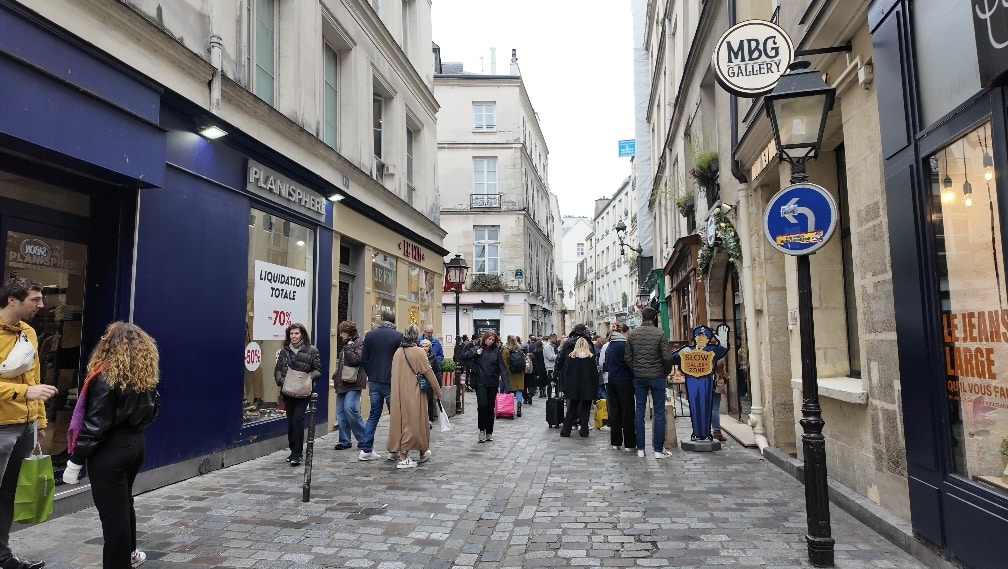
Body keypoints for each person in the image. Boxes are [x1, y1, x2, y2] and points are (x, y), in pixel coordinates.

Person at [63, 321, 160, 569]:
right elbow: (153, 409)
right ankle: (130, 554)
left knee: (113, 515)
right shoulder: (142, 376)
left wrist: (74, 462)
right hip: (136, 443)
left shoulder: (105, 377)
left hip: (111, 450)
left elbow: (95, 426)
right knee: (124, 504)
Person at [0, 277, 56, 569]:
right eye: (35, 299)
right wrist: (24, 392)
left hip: (25, 426)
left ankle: (3, 557)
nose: (41, 305)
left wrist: (40, 420)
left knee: (9, 494)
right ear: (12, 299)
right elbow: (28, 387)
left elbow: (34, 378)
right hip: (0, 426)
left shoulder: (30, 333)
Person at [624, 307, 675, 459]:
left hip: (639, 377)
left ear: (642, 317)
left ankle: (640, 449)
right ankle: (658, 450)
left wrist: (636, 369)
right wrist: (665, 372)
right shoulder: (660, 334)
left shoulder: (633, 335)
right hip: (657, 376)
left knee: (639, 411)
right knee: (659, 412)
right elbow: (667, 357)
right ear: (654, 318)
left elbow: (627, 357)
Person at [388, 325, 442, 468]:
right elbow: (429, 373)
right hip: (414, 392)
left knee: (403, 421)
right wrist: (438, 391)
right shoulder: (418, 352)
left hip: (398, 392)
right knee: (413, 422)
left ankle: (422, 451)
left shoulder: (398, 352)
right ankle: (403, 456)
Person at [273, 323, 322, 467]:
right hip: (288, 391)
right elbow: (277, 370)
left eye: (296, 333)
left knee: (297, 419)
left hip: (303, 391)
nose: (294, 336)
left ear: (302, 334)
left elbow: (318, 370)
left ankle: (298, 453)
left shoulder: (312, 350)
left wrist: (308, 379)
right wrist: (282, 381)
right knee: (290, 421)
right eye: (291, 334)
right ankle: (292, 449)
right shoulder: (285, 351)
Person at [359, 310, 403, 461]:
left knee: (373, 415)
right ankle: (394, 450)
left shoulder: (370, 335)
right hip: (391, 381)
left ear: (382, 319)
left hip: (374, 381)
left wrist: (371, 373)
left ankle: (366, 450)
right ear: (393, 320)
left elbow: (363, 359)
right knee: (396, 417)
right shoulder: (398, 336)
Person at [459, 331, 507, 442]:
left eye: (492, 339)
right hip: (480, 382)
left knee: (490, 407)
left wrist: (507, 385)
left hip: (492, 383)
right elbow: (462, 357)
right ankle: (482, 430)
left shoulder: (496, 352)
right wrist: (475, 353)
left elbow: (502, 368)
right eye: (489, 339)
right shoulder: (477, 349)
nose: (490, 341)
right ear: (484, 339)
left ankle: (489, 431)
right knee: (482, 406)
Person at [333, 321, 366, 451]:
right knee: (341, 413)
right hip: (342, 381)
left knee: (350, 409)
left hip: (354, 382)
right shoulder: (347, 344)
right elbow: (343, 362)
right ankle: (344, 440)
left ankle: (364, 438)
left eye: (342, 332)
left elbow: (356, 360)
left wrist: (349, 348)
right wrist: (336, 374)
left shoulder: (359, 343)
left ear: (347, 332)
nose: (340, 335)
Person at [558, 337, 597, 438]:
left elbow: (568, 374)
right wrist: (594, 390)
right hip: (587, 387)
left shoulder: (572, 357)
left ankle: (566, 430)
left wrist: (565, 387)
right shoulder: (591, 357)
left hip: (574, 387)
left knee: (572, 409)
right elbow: (594, 375)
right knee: (585, 409)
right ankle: (584, 430)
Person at [605, 324, 636, 451]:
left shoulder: (610, 346)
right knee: (627, 411)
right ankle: (629, 443)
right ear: (623, 332)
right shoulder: (624, 345)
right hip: (624, 380)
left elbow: (605, 363)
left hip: (611, 380)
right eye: (628, 333)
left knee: (615, 411)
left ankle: (616, 442)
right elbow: (631, 362)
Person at [501, 336, 526, 417]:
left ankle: (508, 408)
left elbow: (503, 363)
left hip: (509, 373)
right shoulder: (520, 350)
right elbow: (524, 362)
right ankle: (519, 408)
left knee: (508, 391)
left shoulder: (506, 350)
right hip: (519, 374)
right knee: (519, 391)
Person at [420, 339, 442, 423]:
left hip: (429, 383)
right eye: (423, 346)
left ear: (430, 347)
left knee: (429, 400)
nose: (424, 348)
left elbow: (437, 371)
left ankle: (430, 417)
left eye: (426, 346)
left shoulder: (433, 357)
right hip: (419, 382)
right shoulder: (418, 357)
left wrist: (438, 386)